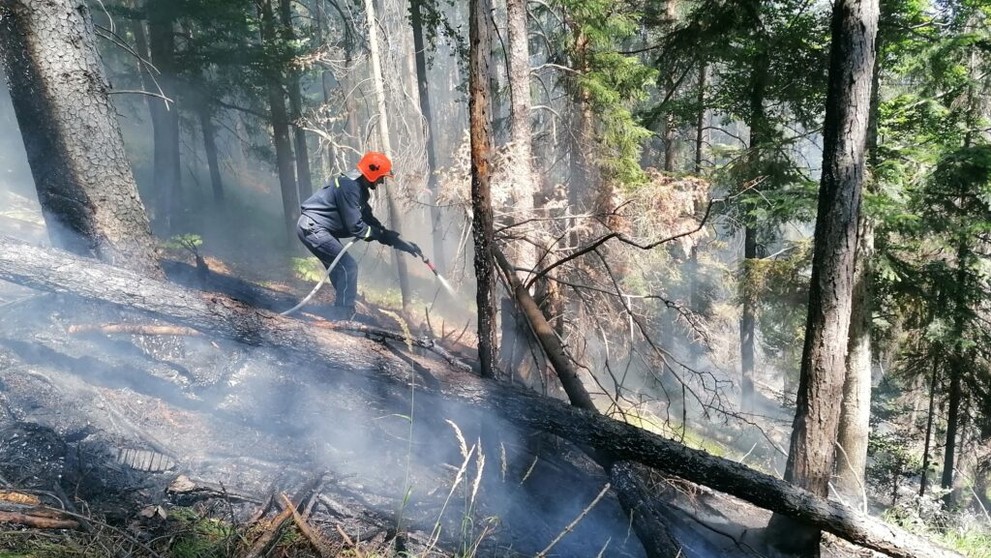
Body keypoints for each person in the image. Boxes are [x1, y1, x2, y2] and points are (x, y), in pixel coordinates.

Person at [296, 151, 420, 319]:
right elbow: (356, 227)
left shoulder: (358, 189)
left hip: (318, 228)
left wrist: (395, 240)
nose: (382, 181)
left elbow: (368, 219)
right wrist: (378, 234)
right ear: (372, 172)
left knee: (341, 271)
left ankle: (342, 312)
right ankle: (343, 315)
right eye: (381, 177)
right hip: (313, 228)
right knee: (348, 267)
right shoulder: (349, 187)